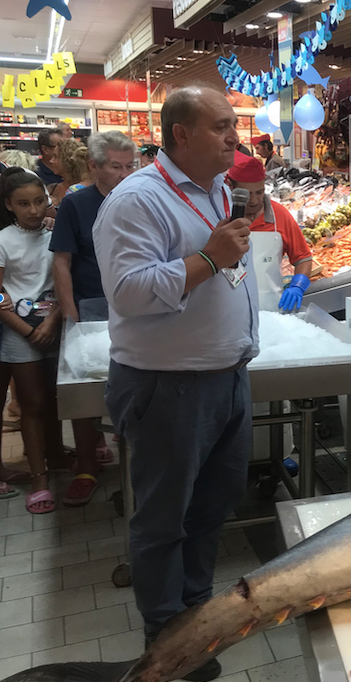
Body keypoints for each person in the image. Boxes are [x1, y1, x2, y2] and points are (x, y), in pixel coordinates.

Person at [94, 85, 258, 681]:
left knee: (211, 508)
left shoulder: (218, 190)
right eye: (220, 126)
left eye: (234, 125)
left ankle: (194, 619)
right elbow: (129, 292)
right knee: (164, 520)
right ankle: (164, 643)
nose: (234, 137)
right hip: (168, 387)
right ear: (181, 133)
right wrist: (210, 259)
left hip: (226, 379)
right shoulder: (138, 199)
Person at [50, 131, 136, 507]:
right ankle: (86, 465)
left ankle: (133, 460)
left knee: (132, 385)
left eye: (130, 166)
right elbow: (62, 261)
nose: (124, 174)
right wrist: (70, 313)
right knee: (85, 391)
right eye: (116, 166)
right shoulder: (77, 204)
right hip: (90, 306)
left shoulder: (140, 200)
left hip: (134, 306)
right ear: (94, 166)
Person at [0, 171, 64, 514]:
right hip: (18, 331)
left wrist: (52, 321)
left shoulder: (55, 233)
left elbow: (65, 279)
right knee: (33, 402)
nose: (34, 210)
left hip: (55, 324)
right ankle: (39, 478)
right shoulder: (3, 240)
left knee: (55, 398)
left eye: (39, 201)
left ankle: (56, 456)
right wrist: (27, 331)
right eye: (23, 204)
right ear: (9, 205)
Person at [225, 151, 314, 311]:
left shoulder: (280, 215)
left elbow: (303, 258)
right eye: (247, 194)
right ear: (231, 188)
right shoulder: (220, 214)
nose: (254, 200)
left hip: (271, 310)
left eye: (259, 192)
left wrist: (298, 285)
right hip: (228, 310)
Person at [51, 139, 90, 206]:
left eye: (55, 157)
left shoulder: (86, 189)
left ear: (66, 160)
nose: (51, 161)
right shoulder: (52, 189)